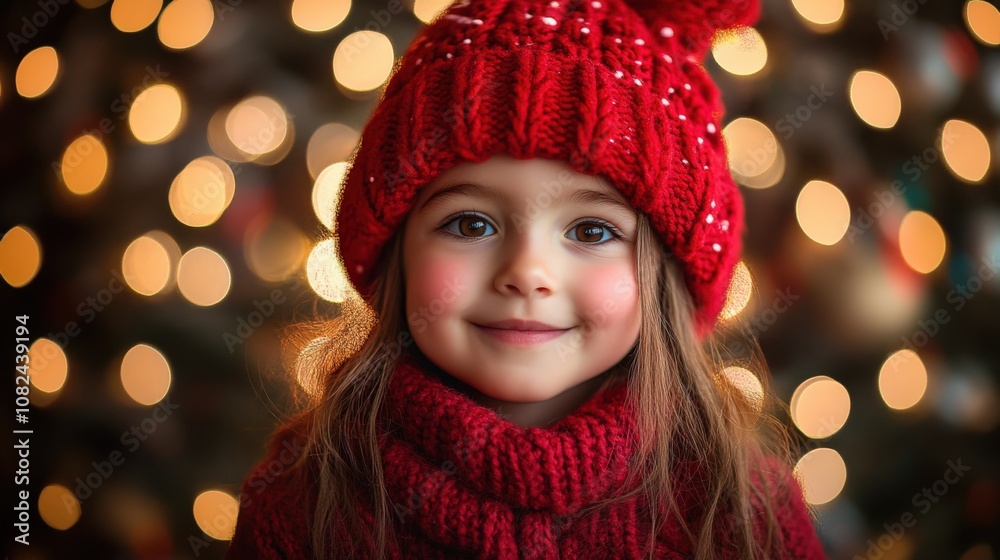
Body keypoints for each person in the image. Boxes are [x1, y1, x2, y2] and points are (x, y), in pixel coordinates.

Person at [226, 0, 828, 557]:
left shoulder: (741, 511)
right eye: (469, 224)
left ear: (667, 272)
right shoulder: (304, 503)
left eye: (591, 232)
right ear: (395, 252)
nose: (526, 274)